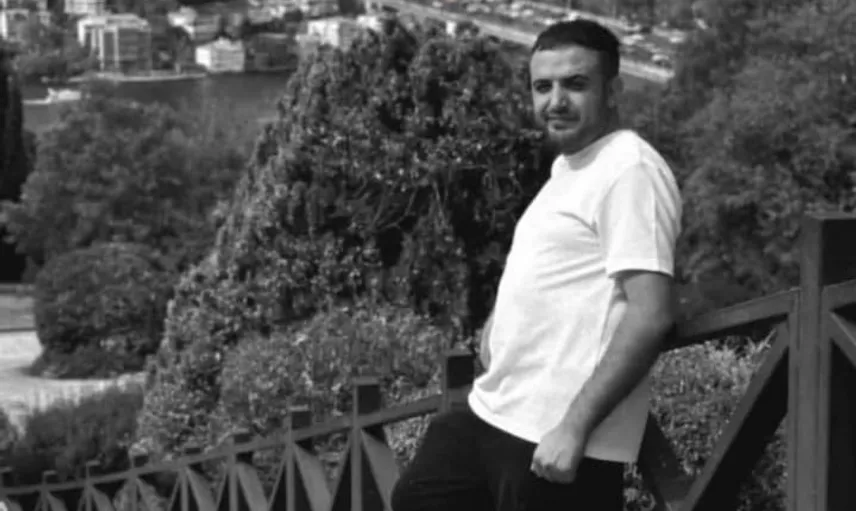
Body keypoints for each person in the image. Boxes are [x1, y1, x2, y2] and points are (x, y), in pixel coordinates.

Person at [390, 18, 683, 511]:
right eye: (542, 87)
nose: (555, 101)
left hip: (552, 436)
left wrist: (574, 427)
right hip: (494, 410)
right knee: (416, 497)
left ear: (613, 90)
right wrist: (496, 327)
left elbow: (651, 313)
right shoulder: (571, 168)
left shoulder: (630, 169)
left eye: (575, 84)